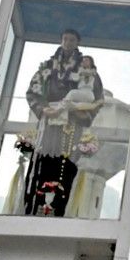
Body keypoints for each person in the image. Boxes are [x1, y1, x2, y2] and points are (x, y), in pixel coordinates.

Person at [25, 29, 104, 216]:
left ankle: (60, 209)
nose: (68, 42)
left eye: (72, 39)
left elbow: (97, 98)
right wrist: (43, 109)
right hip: (49, 122)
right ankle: (35, 207)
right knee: (42, 164)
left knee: (66, 166)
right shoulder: (47, 66)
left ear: (78, 42)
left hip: (72, 123)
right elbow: (32, 92)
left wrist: (80, 112)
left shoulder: (86, 67)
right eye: (65, 39)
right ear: (61, 40)